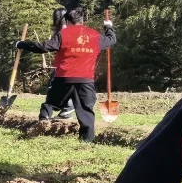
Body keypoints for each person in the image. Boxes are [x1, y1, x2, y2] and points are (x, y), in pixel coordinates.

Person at [16, 8, 115, 142]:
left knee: (51, 102)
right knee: (86, 110)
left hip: (64, 78)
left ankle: (43, 121)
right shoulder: (94, 35)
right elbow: (111, 39)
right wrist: (108, 26)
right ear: (82, 21)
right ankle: (87, 140)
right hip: (85, 80)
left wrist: (22, 44)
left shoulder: (63, 34)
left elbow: (43, 47)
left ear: (67, 21)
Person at [48, 8, 75, 121]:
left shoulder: (61, 32)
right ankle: (66, 111)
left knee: (53, 85)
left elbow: (52, 46)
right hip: (74, 62)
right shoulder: (73, 29)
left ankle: (67, 107)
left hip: (65, 64)